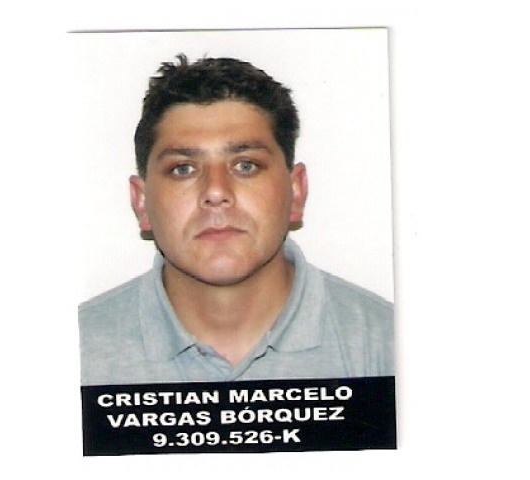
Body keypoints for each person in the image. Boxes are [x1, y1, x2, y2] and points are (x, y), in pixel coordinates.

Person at [78, 54, 394, 385]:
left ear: (296, 192)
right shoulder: (74, 356)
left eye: (246, 165)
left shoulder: (390, 347)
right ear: (142, 204)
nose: (215, 192)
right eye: (183, 168)